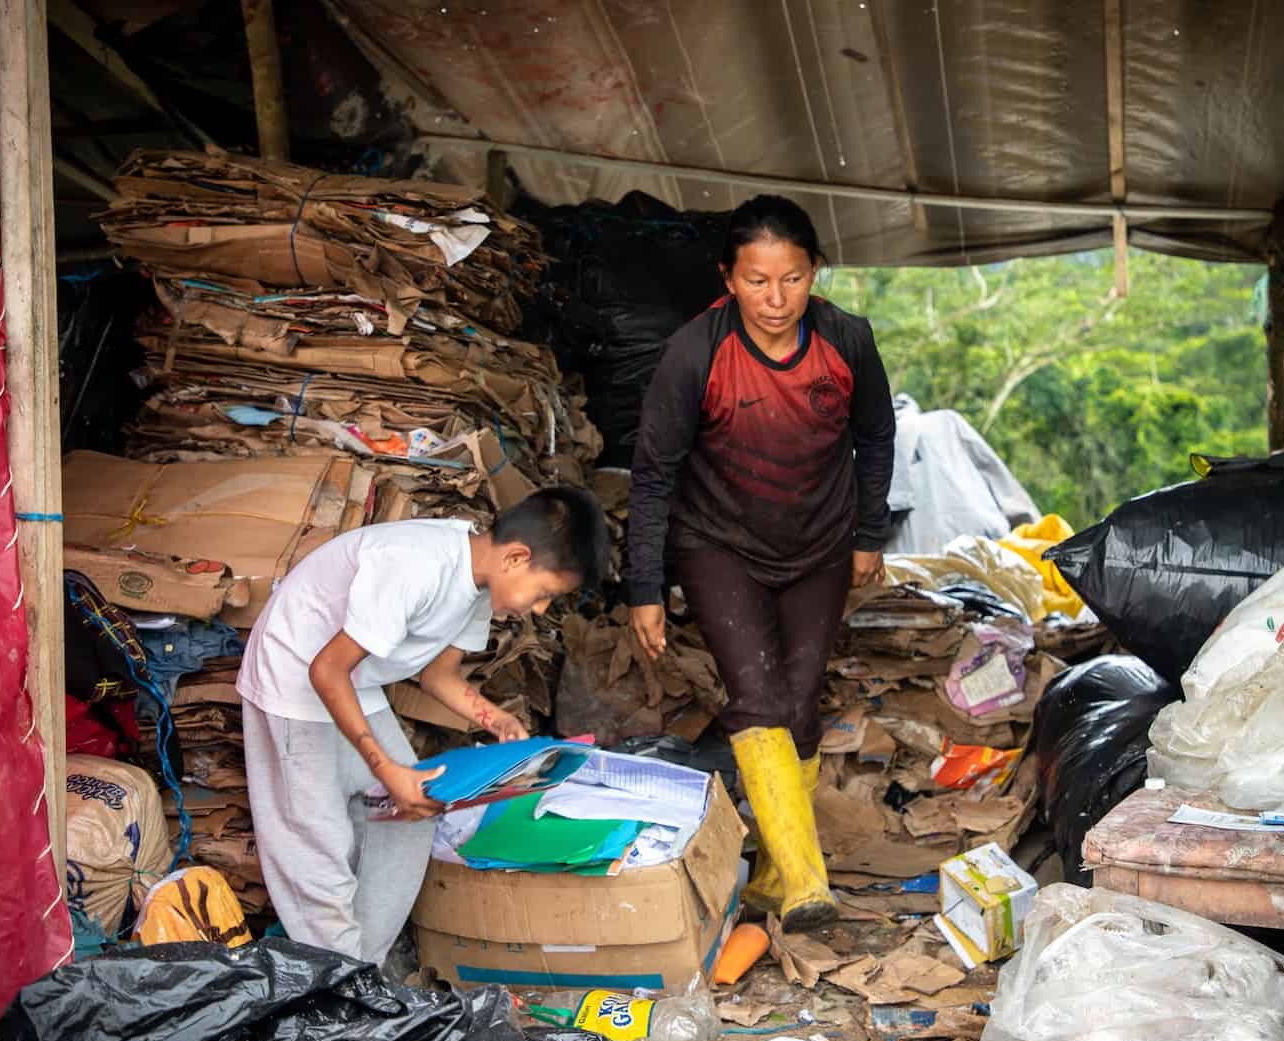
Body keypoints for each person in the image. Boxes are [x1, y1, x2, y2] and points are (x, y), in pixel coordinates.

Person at [627, 194, 895, 932]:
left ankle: (775, 874)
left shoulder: (847, 340)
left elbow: (876, 435)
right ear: (727, 278)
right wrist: (643, 586)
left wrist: (869, 533)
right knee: (756, 693)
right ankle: (809, 883)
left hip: (820, 543)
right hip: (717, 543)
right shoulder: (696, 352)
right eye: (756, 281)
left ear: (815, 272)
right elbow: (654, 474)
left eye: (793, 278)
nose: (776, 300)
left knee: (802, 701)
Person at [237, 487, 608, 964]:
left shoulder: (479, 585)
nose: (538, 610)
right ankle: (337, 986)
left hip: (351, 681)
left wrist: (494, 719)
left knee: (415, 811)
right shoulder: (414, 565)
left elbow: (438, 675)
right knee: (317, 846)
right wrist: (386, 768)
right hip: (293, 676)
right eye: (545, 595)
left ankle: (361, 967)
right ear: (517, 558)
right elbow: (324, 670)